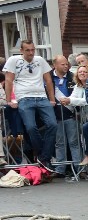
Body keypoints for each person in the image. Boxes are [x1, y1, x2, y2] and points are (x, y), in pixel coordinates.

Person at [4, 40, 59, 170]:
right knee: (30, 127)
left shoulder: (40, 60)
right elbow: (8, 80)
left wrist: (51, 99)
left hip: (41, 96)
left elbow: (48, 80)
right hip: (24, 97)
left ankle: (43, 157)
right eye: (28, 50)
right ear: (21, 51)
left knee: (52, 124)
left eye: (33, 50)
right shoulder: (13, 60)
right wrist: (9, 100)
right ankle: (43, 155)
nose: (31, 53)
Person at [50, 55, 81, 178]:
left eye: (66, 64)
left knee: (74, 142)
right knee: (59, 143)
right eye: (62, 64)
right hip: (56, 115)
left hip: (71, 115)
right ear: (55, 65)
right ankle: (60, 168)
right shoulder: (48, 78)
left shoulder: (72, 77)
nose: (66, 66)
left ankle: (78, 168)